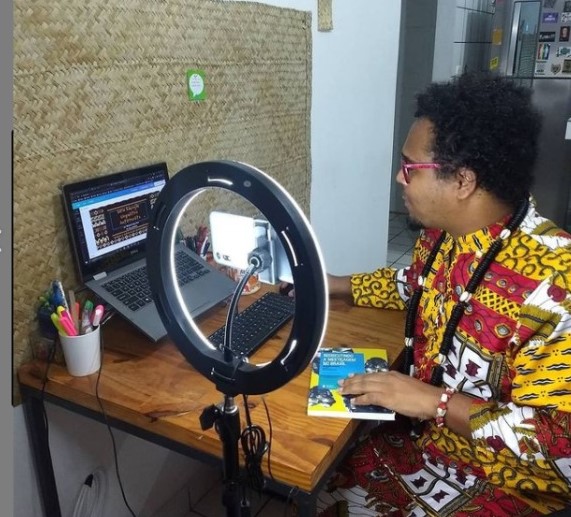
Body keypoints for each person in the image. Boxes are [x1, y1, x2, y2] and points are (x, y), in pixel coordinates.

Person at [316, 72, 571, 516]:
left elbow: (559, 445)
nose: (399, 178)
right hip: (426, 440)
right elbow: (413, 284)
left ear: (463, 181)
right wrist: (333, 284)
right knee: (315, 479)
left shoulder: (555, 284)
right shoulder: (443, 237)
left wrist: (432, 401)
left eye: (410, 167)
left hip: (505, 480)